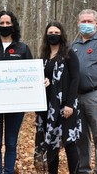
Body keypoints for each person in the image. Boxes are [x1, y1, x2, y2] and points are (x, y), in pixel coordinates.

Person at [0, 10, 33, 174]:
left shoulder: (23, 48)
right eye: (1, 23)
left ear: (13, 25)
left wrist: (40, 81)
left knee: (11, 142)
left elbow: (31, 74)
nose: (4, 26)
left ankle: (8, 171)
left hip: (16, 104)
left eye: (7, 23)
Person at [34, 21, 81, 174]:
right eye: (50, 33)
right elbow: (41, 77)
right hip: (48, 107)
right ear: (46, 35)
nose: (53, 36)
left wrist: (70, 104)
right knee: (50, 144)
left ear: (61, 35)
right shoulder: (44, 56)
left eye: (56, 33)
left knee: (70, 144)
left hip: (65, 106)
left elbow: (75, 79)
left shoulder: (69, 53)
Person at [72, 9, 97, 174]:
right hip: (77, 97)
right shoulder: (74, 46)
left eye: (89, 21)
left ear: (96, 23)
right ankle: (83, 169)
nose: (86, 24)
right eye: (83, 21)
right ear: (78, 24)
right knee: (81, 136)